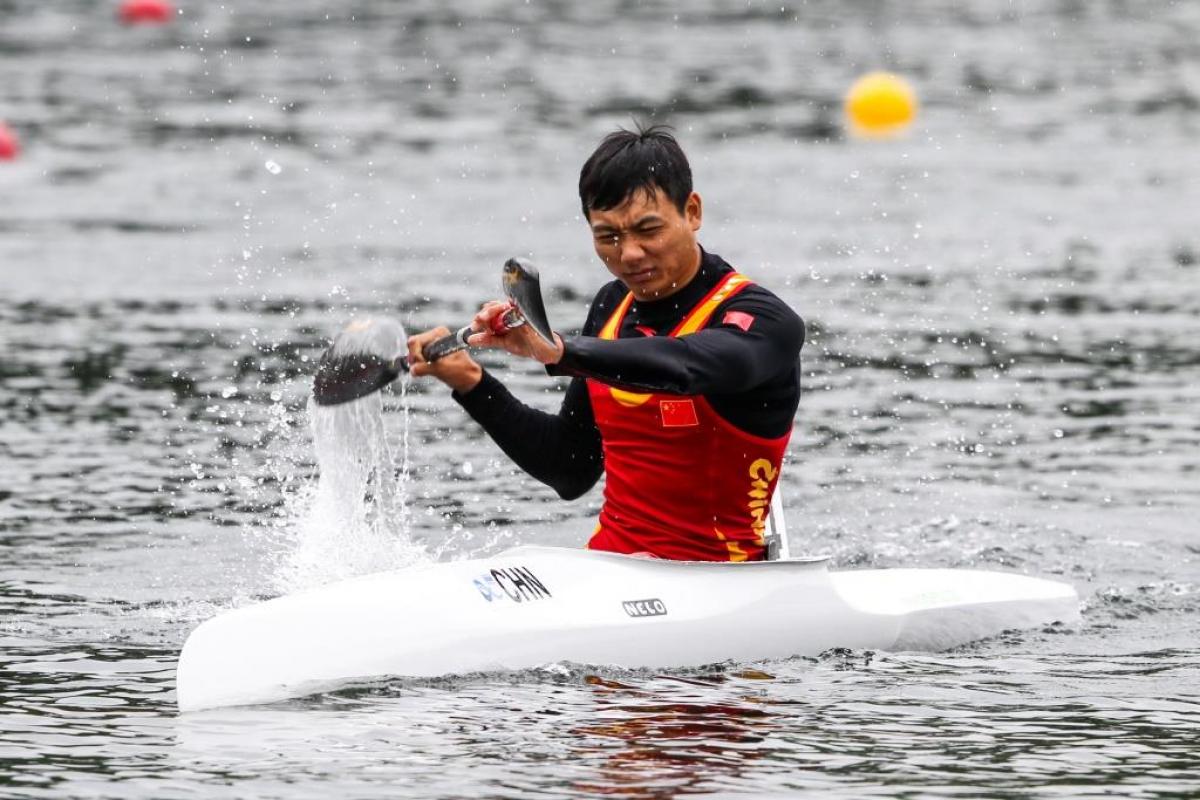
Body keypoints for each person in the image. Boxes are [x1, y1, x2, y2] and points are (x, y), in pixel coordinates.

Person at [407, 126, 804, 562]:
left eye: (647, 230)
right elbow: (569, 468)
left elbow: (688, 364)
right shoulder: (612, 306)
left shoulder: (766, 321)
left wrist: (561, 351)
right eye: (608, 236)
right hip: (610, 568)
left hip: (720, 581)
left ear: (692, 212)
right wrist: (471, 382)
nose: (629, 253)